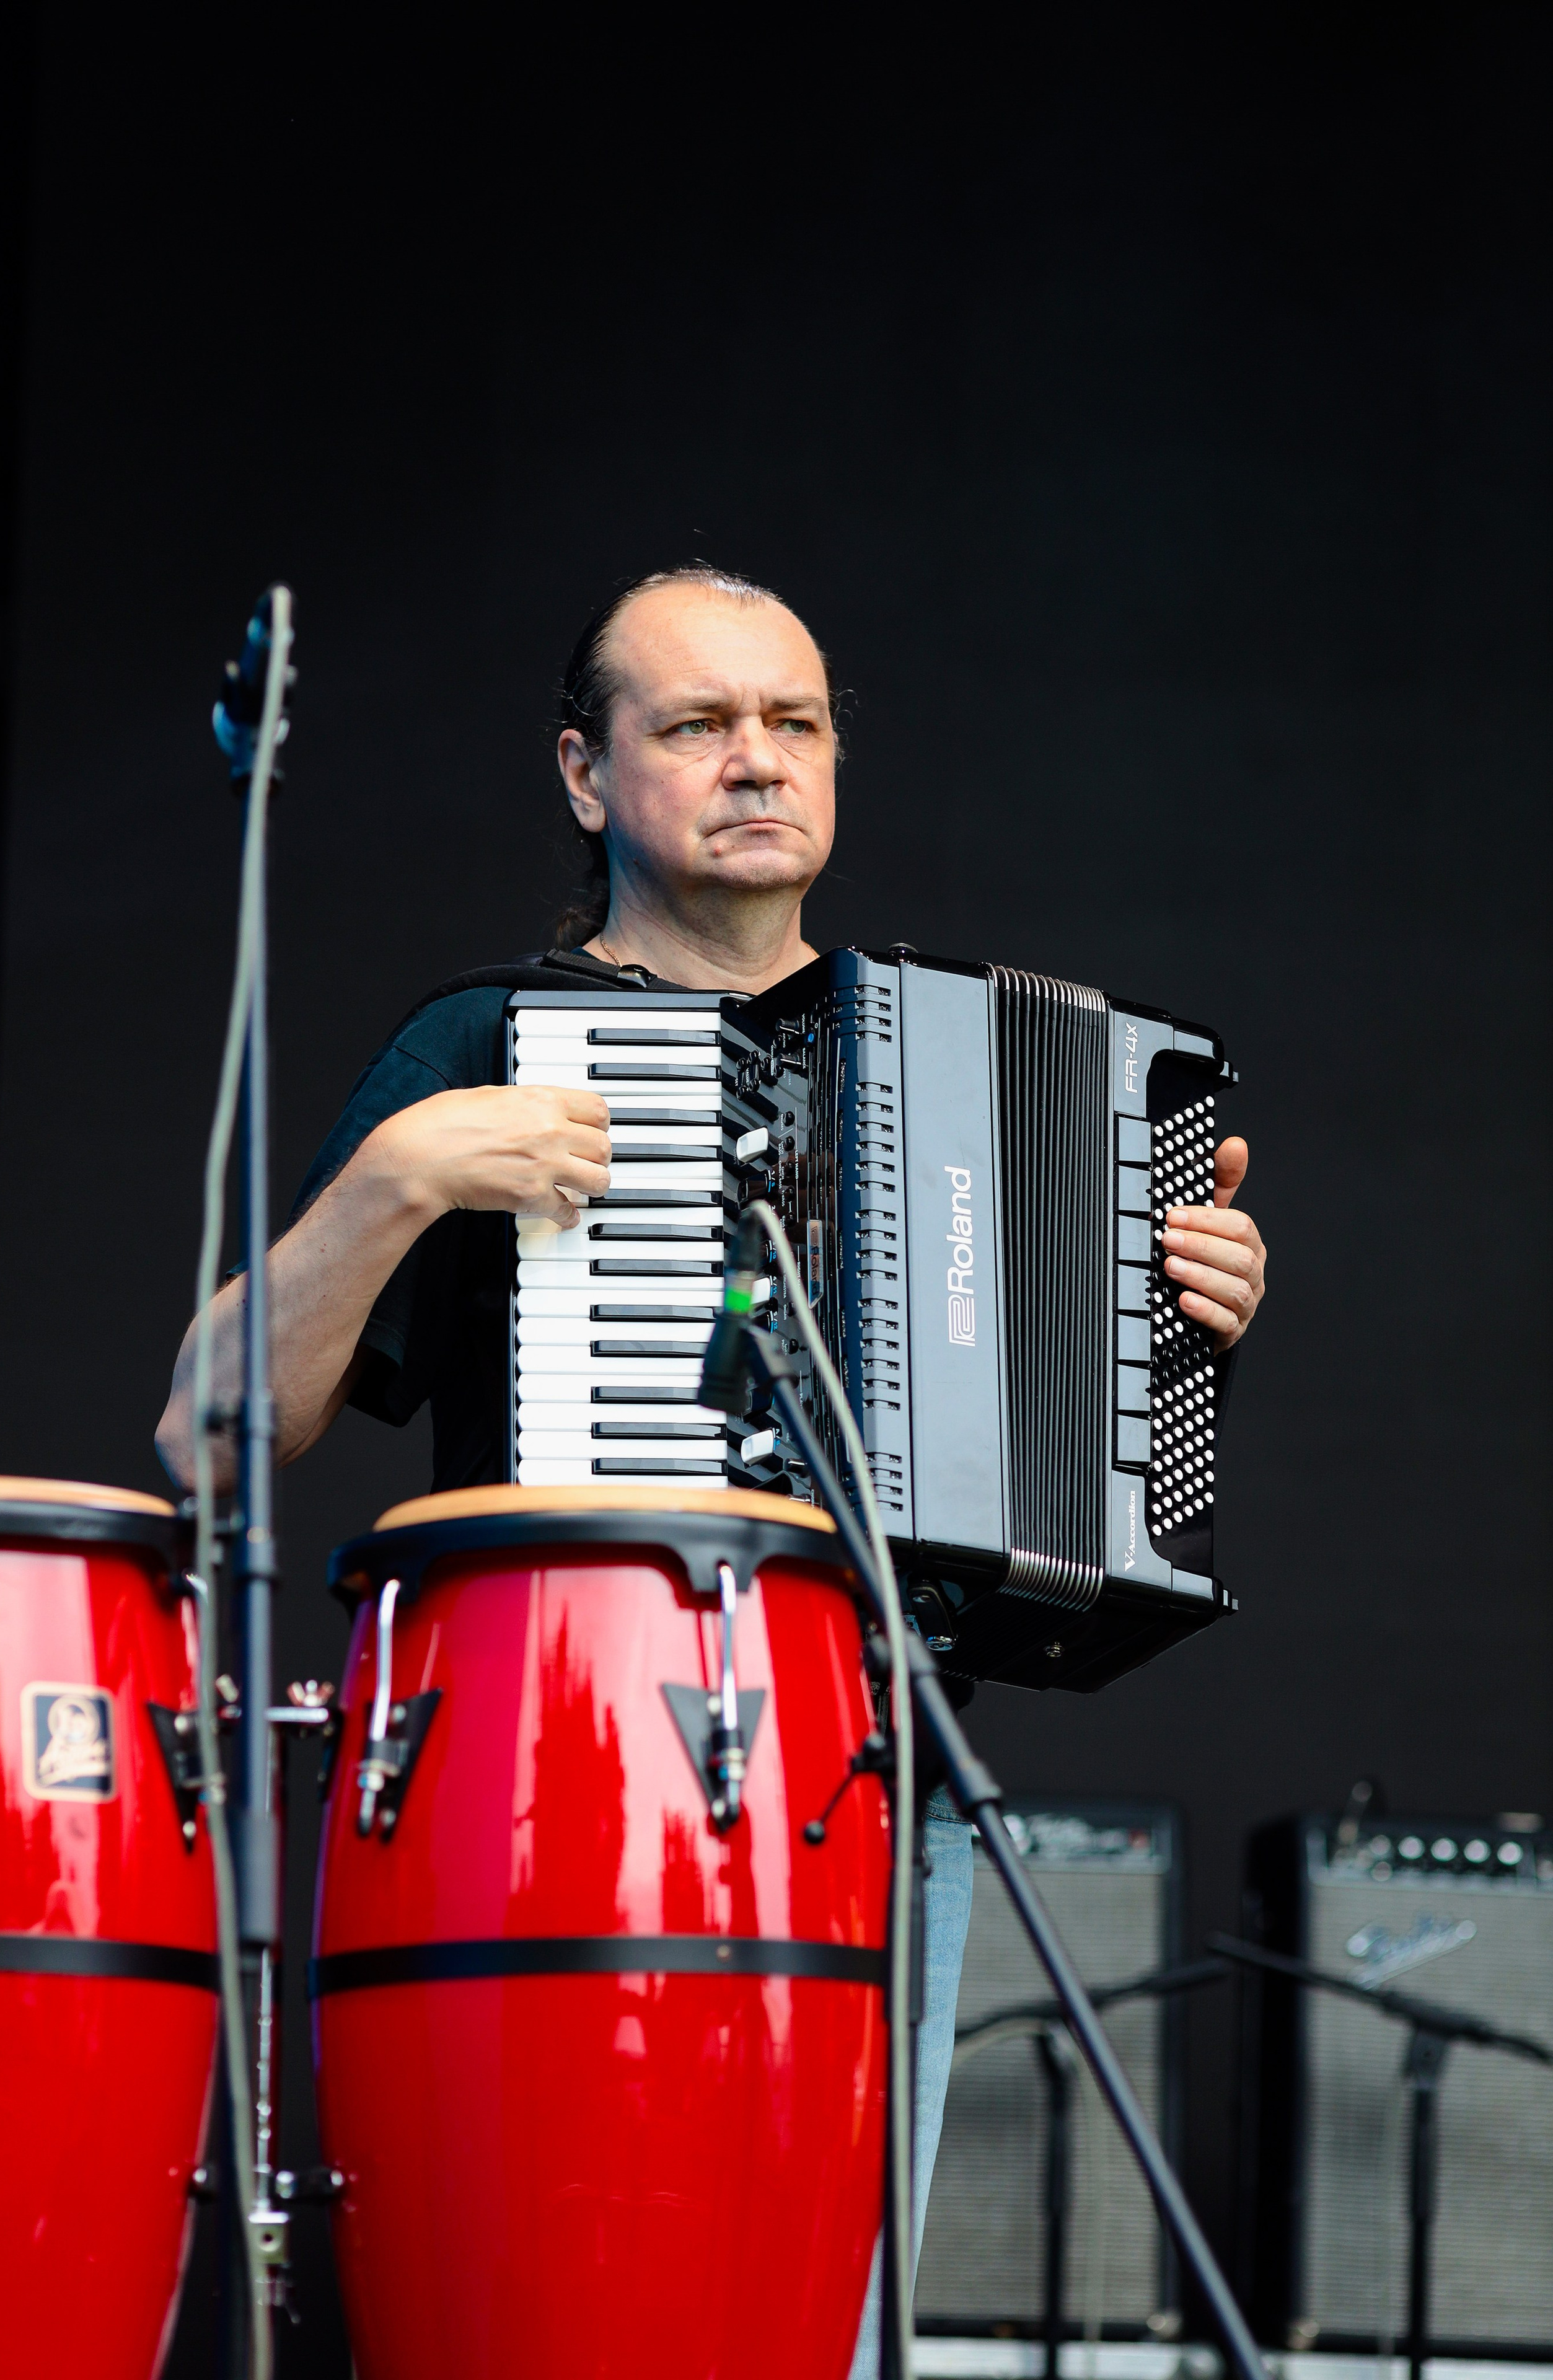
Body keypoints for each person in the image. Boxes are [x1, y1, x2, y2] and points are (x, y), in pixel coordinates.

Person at [156, 564, 1268, 2365]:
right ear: (587, 774)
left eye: (793, 721)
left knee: (816, 2322)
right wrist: (394, 1183)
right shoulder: (483, 1043)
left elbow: (1079, 1443)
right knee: (543, 2300)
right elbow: (213, 1431)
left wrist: (1174, 1312)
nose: (759, 759)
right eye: (697, 723)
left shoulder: (978, 1066)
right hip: (556, 1764)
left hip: (867, 1778)